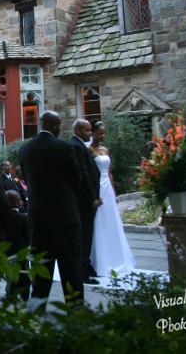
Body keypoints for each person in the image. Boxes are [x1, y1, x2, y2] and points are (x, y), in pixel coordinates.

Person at [19, 111, 83, 303]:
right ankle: (76, 312)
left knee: (40, 271)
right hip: (65, 218)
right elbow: (77, 180)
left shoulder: (25, 149)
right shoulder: (65, 147)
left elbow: (26, 178)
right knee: (71, 269)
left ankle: (36, 311)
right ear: (54, 126)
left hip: (38, 217)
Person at [89, 122, 136, 276]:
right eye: (100, 133)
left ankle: (116, 256)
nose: (102, 136)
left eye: (104, 133)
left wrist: (113, 190)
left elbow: (109, 172)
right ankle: (99, 259)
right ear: (93, 133)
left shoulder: (105, 149)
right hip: (97, 187)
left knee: (111, 219)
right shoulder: (88, 150)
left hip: (107, 187)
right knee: (99, 220)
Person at [71, 119, 101, 284]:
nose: (90, 134)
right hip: (84, 202)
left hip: (90, 199)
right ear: (78, 131)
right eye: (87, 130)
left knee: (88, 235)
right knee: (84, 236)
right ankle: (82, 272)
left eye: (90, 130)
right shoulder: (75, 146)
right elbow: (83, 174)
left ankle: (87, 266)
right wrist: (92, 198)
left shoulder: (80, 145)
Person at [5, 189, 31, 300]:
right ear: (16, 202)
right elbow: (28, 235)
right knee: (23, 273)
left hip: (7, 251)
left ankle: (11, 291)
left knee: (10, 274)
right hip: (21, 250)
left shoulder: (3, 217)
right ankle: (24, 295)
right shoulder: (23, 218)